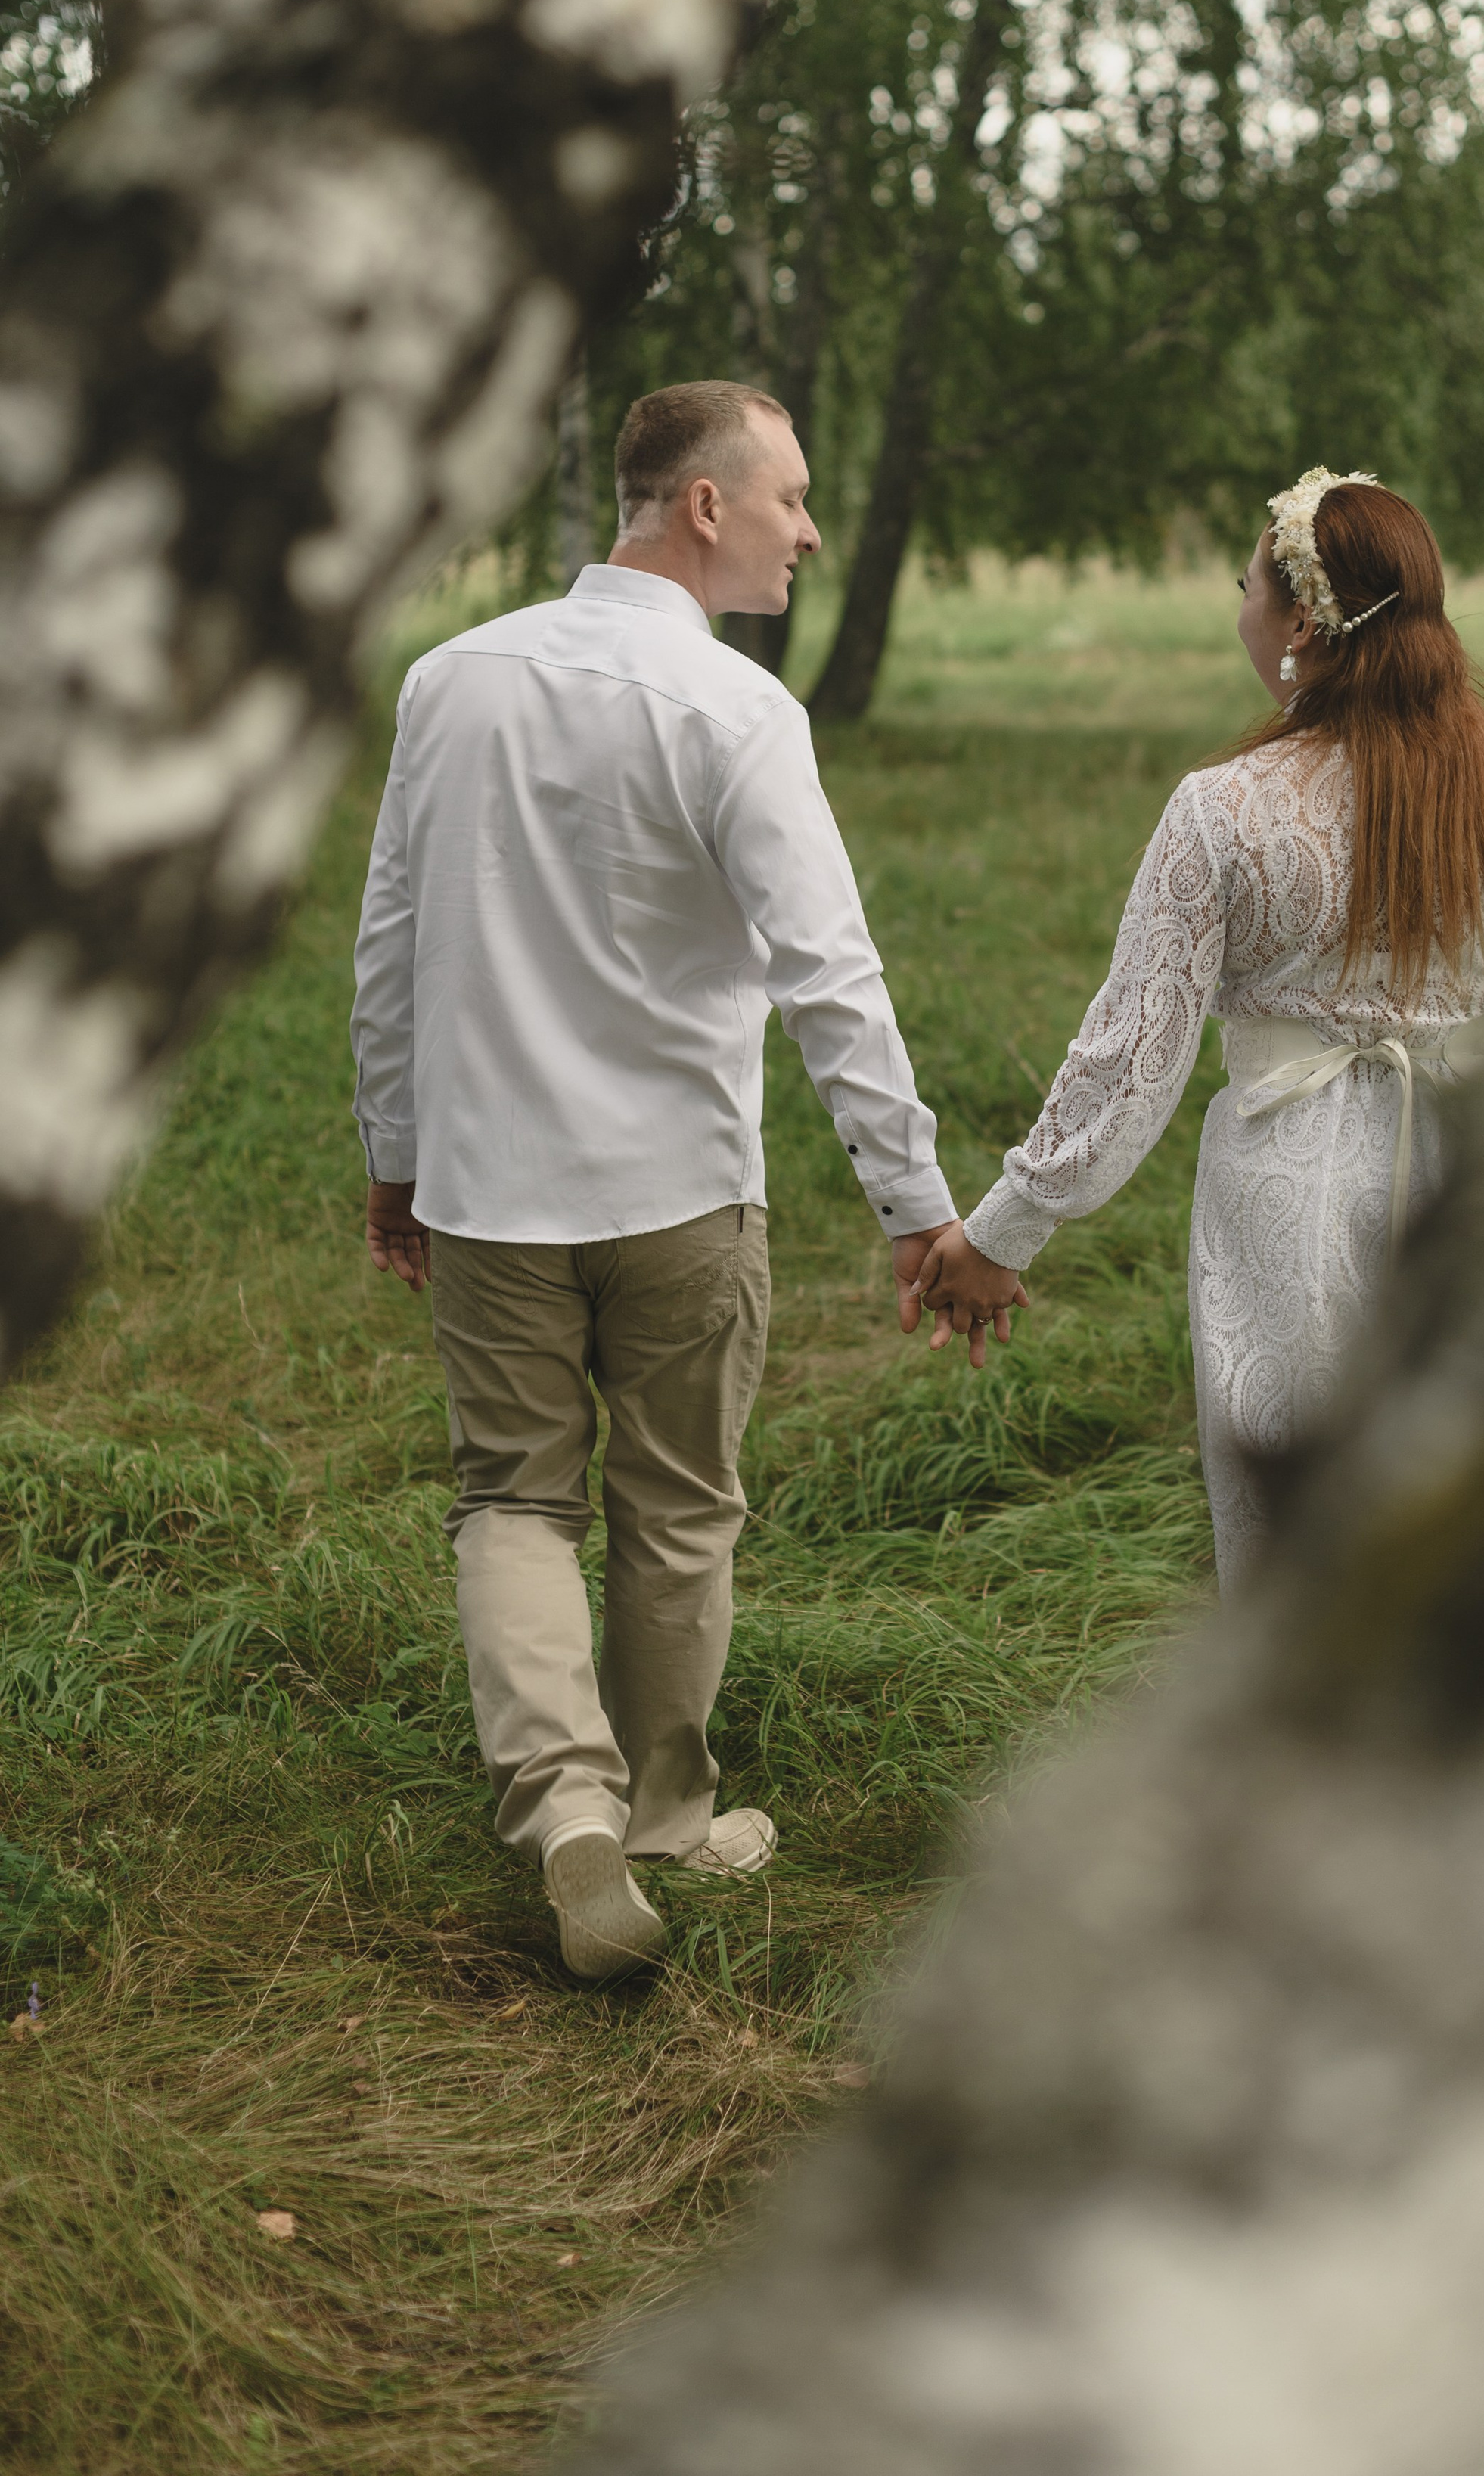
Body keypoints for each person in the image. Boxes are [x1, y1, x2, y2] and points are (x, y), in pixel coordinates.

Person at [349, 380, 992, 1984]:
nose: (807, 528)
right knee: (678, 1504)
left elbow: (389, 941)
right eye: (786, 496)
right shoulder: (737, 713)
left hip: (489, 1188)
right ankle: (662, 1814)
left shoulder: (451, 682)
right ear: (701, 504)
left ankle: (560, 1805)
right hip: (679, 1200)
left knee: (510, 1496)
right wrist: (915, 1204)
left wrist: (394, 1155)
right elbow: (828, 975)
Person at [917, 470, 1484, 1591]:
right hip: (1481, 1190)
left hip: (1288, 1189)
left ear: (1299, 620)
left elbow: (1131, 1055)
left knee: (1302, 1527)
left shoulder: (1224, 809)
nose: (1237, 607)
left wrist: (999, 1233)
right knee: (1464, 1516)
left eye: (1245, 584)